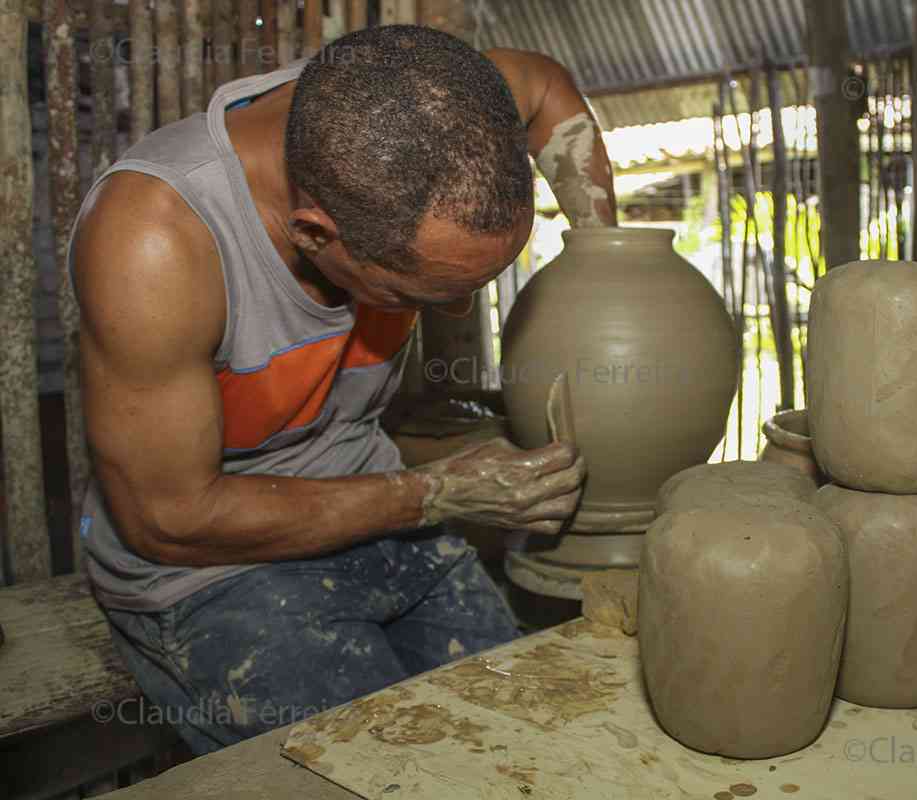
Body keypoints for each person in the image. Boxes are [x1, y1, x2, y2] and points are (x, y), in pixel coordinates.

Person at [68, 24, 617, 754]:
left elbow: (543, 85)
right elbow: (168, 519)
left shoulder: (431, 104)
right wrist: (436, 493)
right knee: (382, 769)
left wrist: (604, 252)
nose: (455, 314)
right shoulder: (155, 240)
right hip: (207, 566)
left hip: (375, 504)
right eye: (418, 292)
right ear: (315, 233)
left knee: (532, 743)